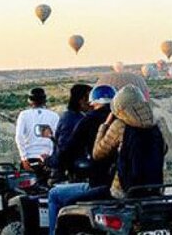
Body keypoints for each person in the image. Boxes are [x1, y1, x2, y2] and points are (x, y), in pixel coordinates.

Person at [48, 84, 117, 235]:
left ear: (93, 102)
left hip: (102, 185)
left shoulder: (88, 120)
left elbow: (68, 151)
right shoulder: (130, 121)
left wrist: (52, 164)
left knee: (54, 194)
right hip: (139, 187)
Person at [93, 85, 166, 199]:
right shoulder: (156, 125)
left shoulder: (120, 125)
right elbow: (163, 149)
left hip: (123, 190)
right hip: (155, 189)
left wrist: (105, 125)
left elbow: (97, 153)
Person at [15, 87, 60, 172]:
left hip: (30, 158)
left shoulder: (24, 115)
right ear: (44, 100)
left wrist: (24, 158)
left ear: (30, 101)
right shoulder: (54, 116)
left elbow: (19, 137)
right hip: (48, 158)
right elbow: (57, 139)